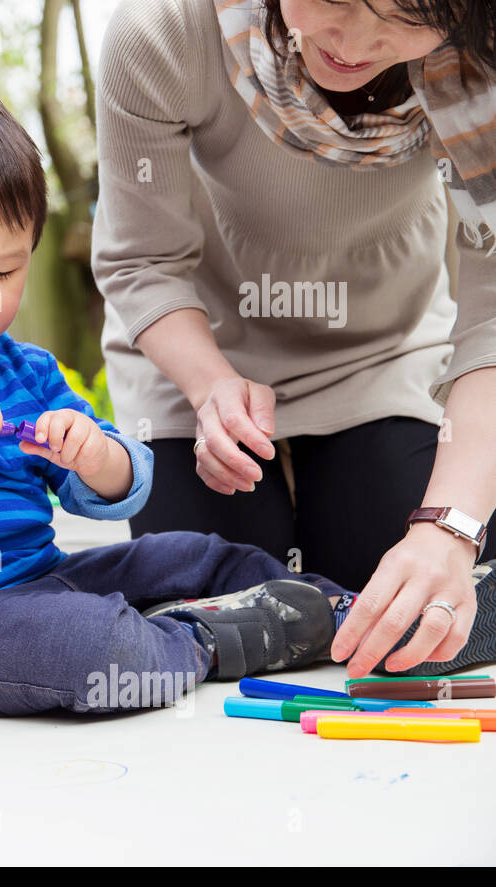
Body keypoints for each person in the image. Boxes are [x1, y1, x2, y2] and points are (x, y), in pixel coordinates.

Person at [0, 81, 494, 718]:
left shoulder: (22, 367)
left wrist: (90, 453)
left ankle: (359, 614)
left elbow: (120, 487)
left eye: (4, 271)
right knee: (91, 645)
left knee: (196, 554)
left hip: (37, 581)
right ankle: (199, 640)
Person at [90, 0, 496, 679]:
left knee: (397, 601)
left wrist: (448, 529)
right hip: (194, 352)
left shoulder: (482, 56)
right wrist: (210, 385)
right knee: (216, 602)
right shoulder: (162, 28)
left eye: (405, 16)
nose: (356, 42)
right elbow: (142, 262)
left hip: (381, 355)